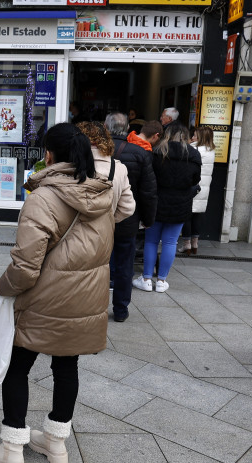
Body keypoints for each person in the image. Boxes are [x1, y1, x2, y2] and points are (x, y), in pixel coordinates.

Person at [0, 123, 120, 463]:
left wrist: (3, 289)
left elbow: (26, 266)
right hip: (86, 300)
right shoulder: (104, 194)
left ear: (50, 155)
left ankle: (11, 449)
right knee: (67, 368)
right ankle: (55, 444)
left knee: (17, 368)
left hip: (44, 302)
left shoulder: (43, 197)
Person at [133, 121, 201, 293]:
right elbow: (195, 180)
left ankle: (147, 279)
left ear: (167, 134)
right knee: (170, 242)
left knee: (151, 241)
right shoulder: (193, 154)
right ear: (185, 136)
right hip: (180, 204)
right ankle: (162, 281)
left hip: (156, 203)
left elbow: (148, 179)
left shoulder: (156, 152)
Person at [104, 112, 157, 322]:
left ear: (106, 128)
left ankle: (95, 305)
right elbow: (149, 192)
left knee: (98, 263)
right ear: (126, 129)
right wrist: (148, 219)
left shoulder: (97, 152)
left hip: (100, 217)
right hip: (128, 217)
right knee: (125, 263)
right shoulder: (140, 153)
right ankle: (120, 309)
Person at [76, 121, 135, 223]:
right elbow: (128, 208)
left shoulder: (70, 164)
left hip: (73, 233)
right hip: (103, 234)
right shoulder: (119, 168)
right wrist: (109, 221)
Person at [179, 126, 216, 255]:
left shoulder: (194, 149)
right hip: (204, 188)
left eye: (194, 135)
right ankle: (195, 244)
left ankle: (187, 245)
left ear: (200, 137)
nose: (192, 137)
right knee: (197, 216)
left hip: (193, 187)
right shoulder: (211, 151)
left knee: (187, 216)